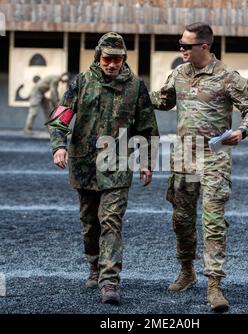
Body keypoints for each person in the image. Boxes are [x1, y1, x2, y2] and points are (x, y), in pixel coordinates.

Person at [150, 22, 248, 312]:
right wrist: (133, 92)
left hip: (215, 158)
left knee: (213, 221)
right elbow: (163, 101)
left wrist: (243, 130)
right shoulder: (178, 73)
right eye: (180, 44)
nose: (182, 49)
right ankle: (187, 271)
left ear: (204, 46)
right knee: (182, 220)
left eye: (187, 46)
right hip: (183, 159)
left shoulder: (227, 77)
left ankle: (214, 284)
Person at [47, 32, 159, 305]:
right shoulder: (82, 83)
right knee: (89, 223)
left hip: (118, 164)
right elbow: (60, 117)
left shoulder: (135, 86)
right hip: (85, 164)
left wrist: (146, 161)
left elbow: (146, 127)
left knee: (111, 221)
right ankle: (94, 266)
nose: (112, 64)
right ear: (99, 57)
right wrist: (58, 146)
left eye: (117, 59)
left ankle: (110, 282)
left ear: (124, 59)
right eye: (107, 59)